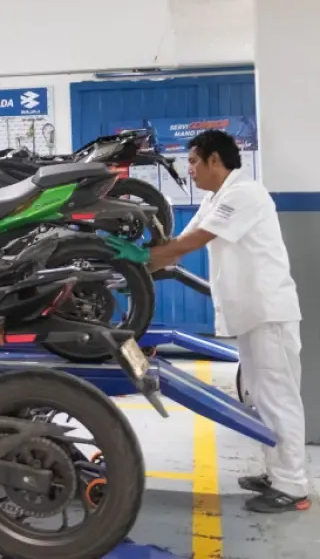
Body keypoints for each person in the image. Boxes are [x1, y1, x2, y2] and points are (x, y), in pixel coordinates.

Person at [108, 129, 309, 514]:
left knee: (278, 398)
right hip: (252, 313)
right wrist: (126, 264)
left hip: (268, 312)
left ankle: (292, 486)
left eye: (194, 161)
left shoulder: (245, 193)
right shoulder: (216, 198)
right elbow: (175, 250)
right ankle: (278, 473)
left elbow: (193, 242)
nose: (190, 170)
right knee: (260, 397)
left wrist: (140, 257)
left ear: (215, 160)